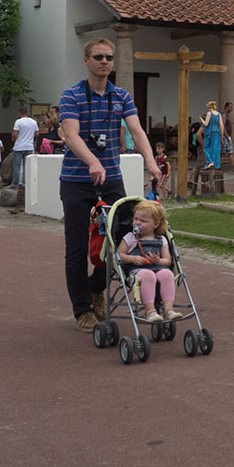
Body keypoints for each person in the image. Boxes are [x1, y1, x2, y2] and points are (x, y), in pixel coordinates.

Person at [59, 37, 161, 332]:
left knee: (124, 236)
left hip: (111, 179)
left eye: (108, 58)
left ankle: (95, 287)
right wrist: (92, 161)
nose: (104, 62)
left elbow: (137, 131)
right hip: (77, 181)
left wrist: (151, 163)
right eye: (98, 57)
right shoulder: (72, 95)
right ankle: (82, 310)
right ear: (86, 60)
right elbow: (72, 134)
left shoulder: (122, 96)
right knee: (77, 248)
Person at [117, 200, 183, 322]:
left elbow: (168, 261)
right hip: (137, 270)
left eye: (143, 221)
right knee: (148, 275)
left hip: (158, 268)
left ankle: (169, 310)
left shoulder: (161, 239)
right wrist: (132, 258)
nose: (137, 222)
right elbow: (119, 255)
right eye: (136, 219)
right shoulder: (130, 237)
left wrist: (158, 261)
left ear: (156, 224)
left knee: (167, 273)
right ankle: (150, 310)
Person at [11, 106, 38, 187]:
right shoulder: (33, 122)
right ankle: (25, 183)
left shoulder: (18, 122)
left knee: (17, 165)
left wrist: (14, 137)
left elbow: (15, 134)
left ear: (19, 112)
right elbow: (37, 133)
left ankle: (15, 183)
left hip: (19, 146)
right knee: (27, 166)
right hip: (29, 146)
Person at [199, 100, 222, 170]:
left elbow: (206, 124)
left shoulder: (209, 113)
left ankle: (210, 161)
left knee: (206, 148)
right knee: (215, 148)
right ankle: (216, 164)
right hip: (217, 132)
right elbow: (221, 125)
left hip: (209, 132)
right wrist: (222, 135)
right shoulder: (219, 114)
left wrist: (201, 119)